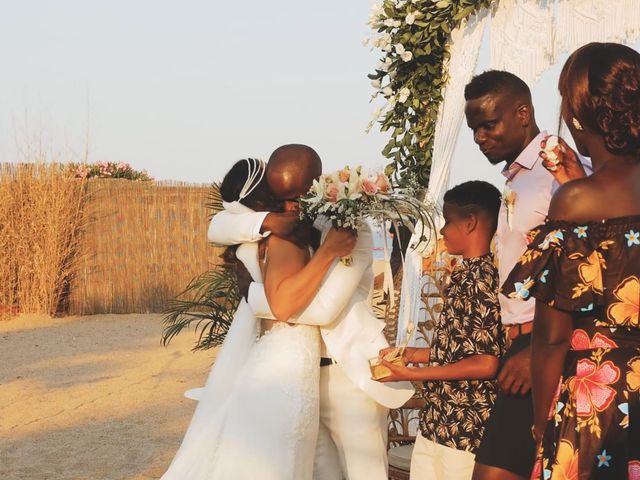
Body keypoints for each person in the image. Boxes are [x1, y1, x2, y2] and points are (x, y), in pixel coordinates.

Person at [210, 144, 415, 480]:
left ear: (316, 184)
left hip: (348, 377)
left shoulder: (351, 228)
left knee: (366, 474)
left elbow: (322, 310)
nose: (289, 206)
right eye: (281, 198)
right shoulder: (284, 224)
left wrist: (259, 299)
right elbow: (218, 225)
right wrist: (268, 225)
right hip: (301, 380)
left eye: (296, 196)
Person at [160, 157, 356, 480]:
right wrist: (325, 252)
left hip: (279, 355)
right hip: (285, 359)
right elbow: (283, 304)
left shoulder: (270, 229)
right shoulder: (278, 235)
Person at [503, 42, 640, 479]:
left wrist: (542, 423)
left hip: (599, 401)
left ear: (578, 115)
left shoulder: (577, 201)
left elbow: (552, 338)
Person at [462, 69, 589, 480]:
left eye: (488, 124)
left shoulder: (558, 168)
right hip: (521, 346)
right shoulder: (519, 175)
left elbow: (582, 264)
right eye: (474, 129)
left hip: (547, 345)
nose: (480, 137)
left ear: (522, 113)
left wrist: (534, 346)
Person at [377, 180, 505, 480]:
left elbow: (486, 363)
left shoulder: (482, 280)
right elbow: (458, 351)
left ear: (470, 223)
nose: (443, 230)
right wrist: (410, 354)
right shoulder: (466, 274)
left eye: (448, 221)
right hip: (438, 420)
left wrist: (413, 375)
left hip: (464, 427)